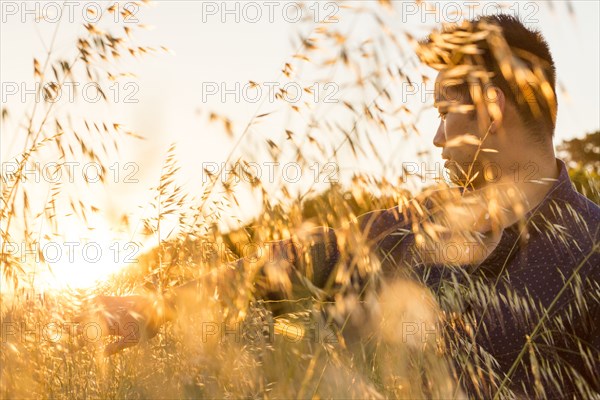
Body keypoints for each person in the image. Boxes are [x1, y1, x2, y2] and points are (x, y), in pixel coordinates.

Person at [77, 14, 599, 398]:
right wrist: (160, 306)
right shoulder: (419, 225)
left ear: (489, 111)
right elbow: (292, 262)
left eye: (445, 111)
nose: (437, 137)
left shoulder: (591, 250)